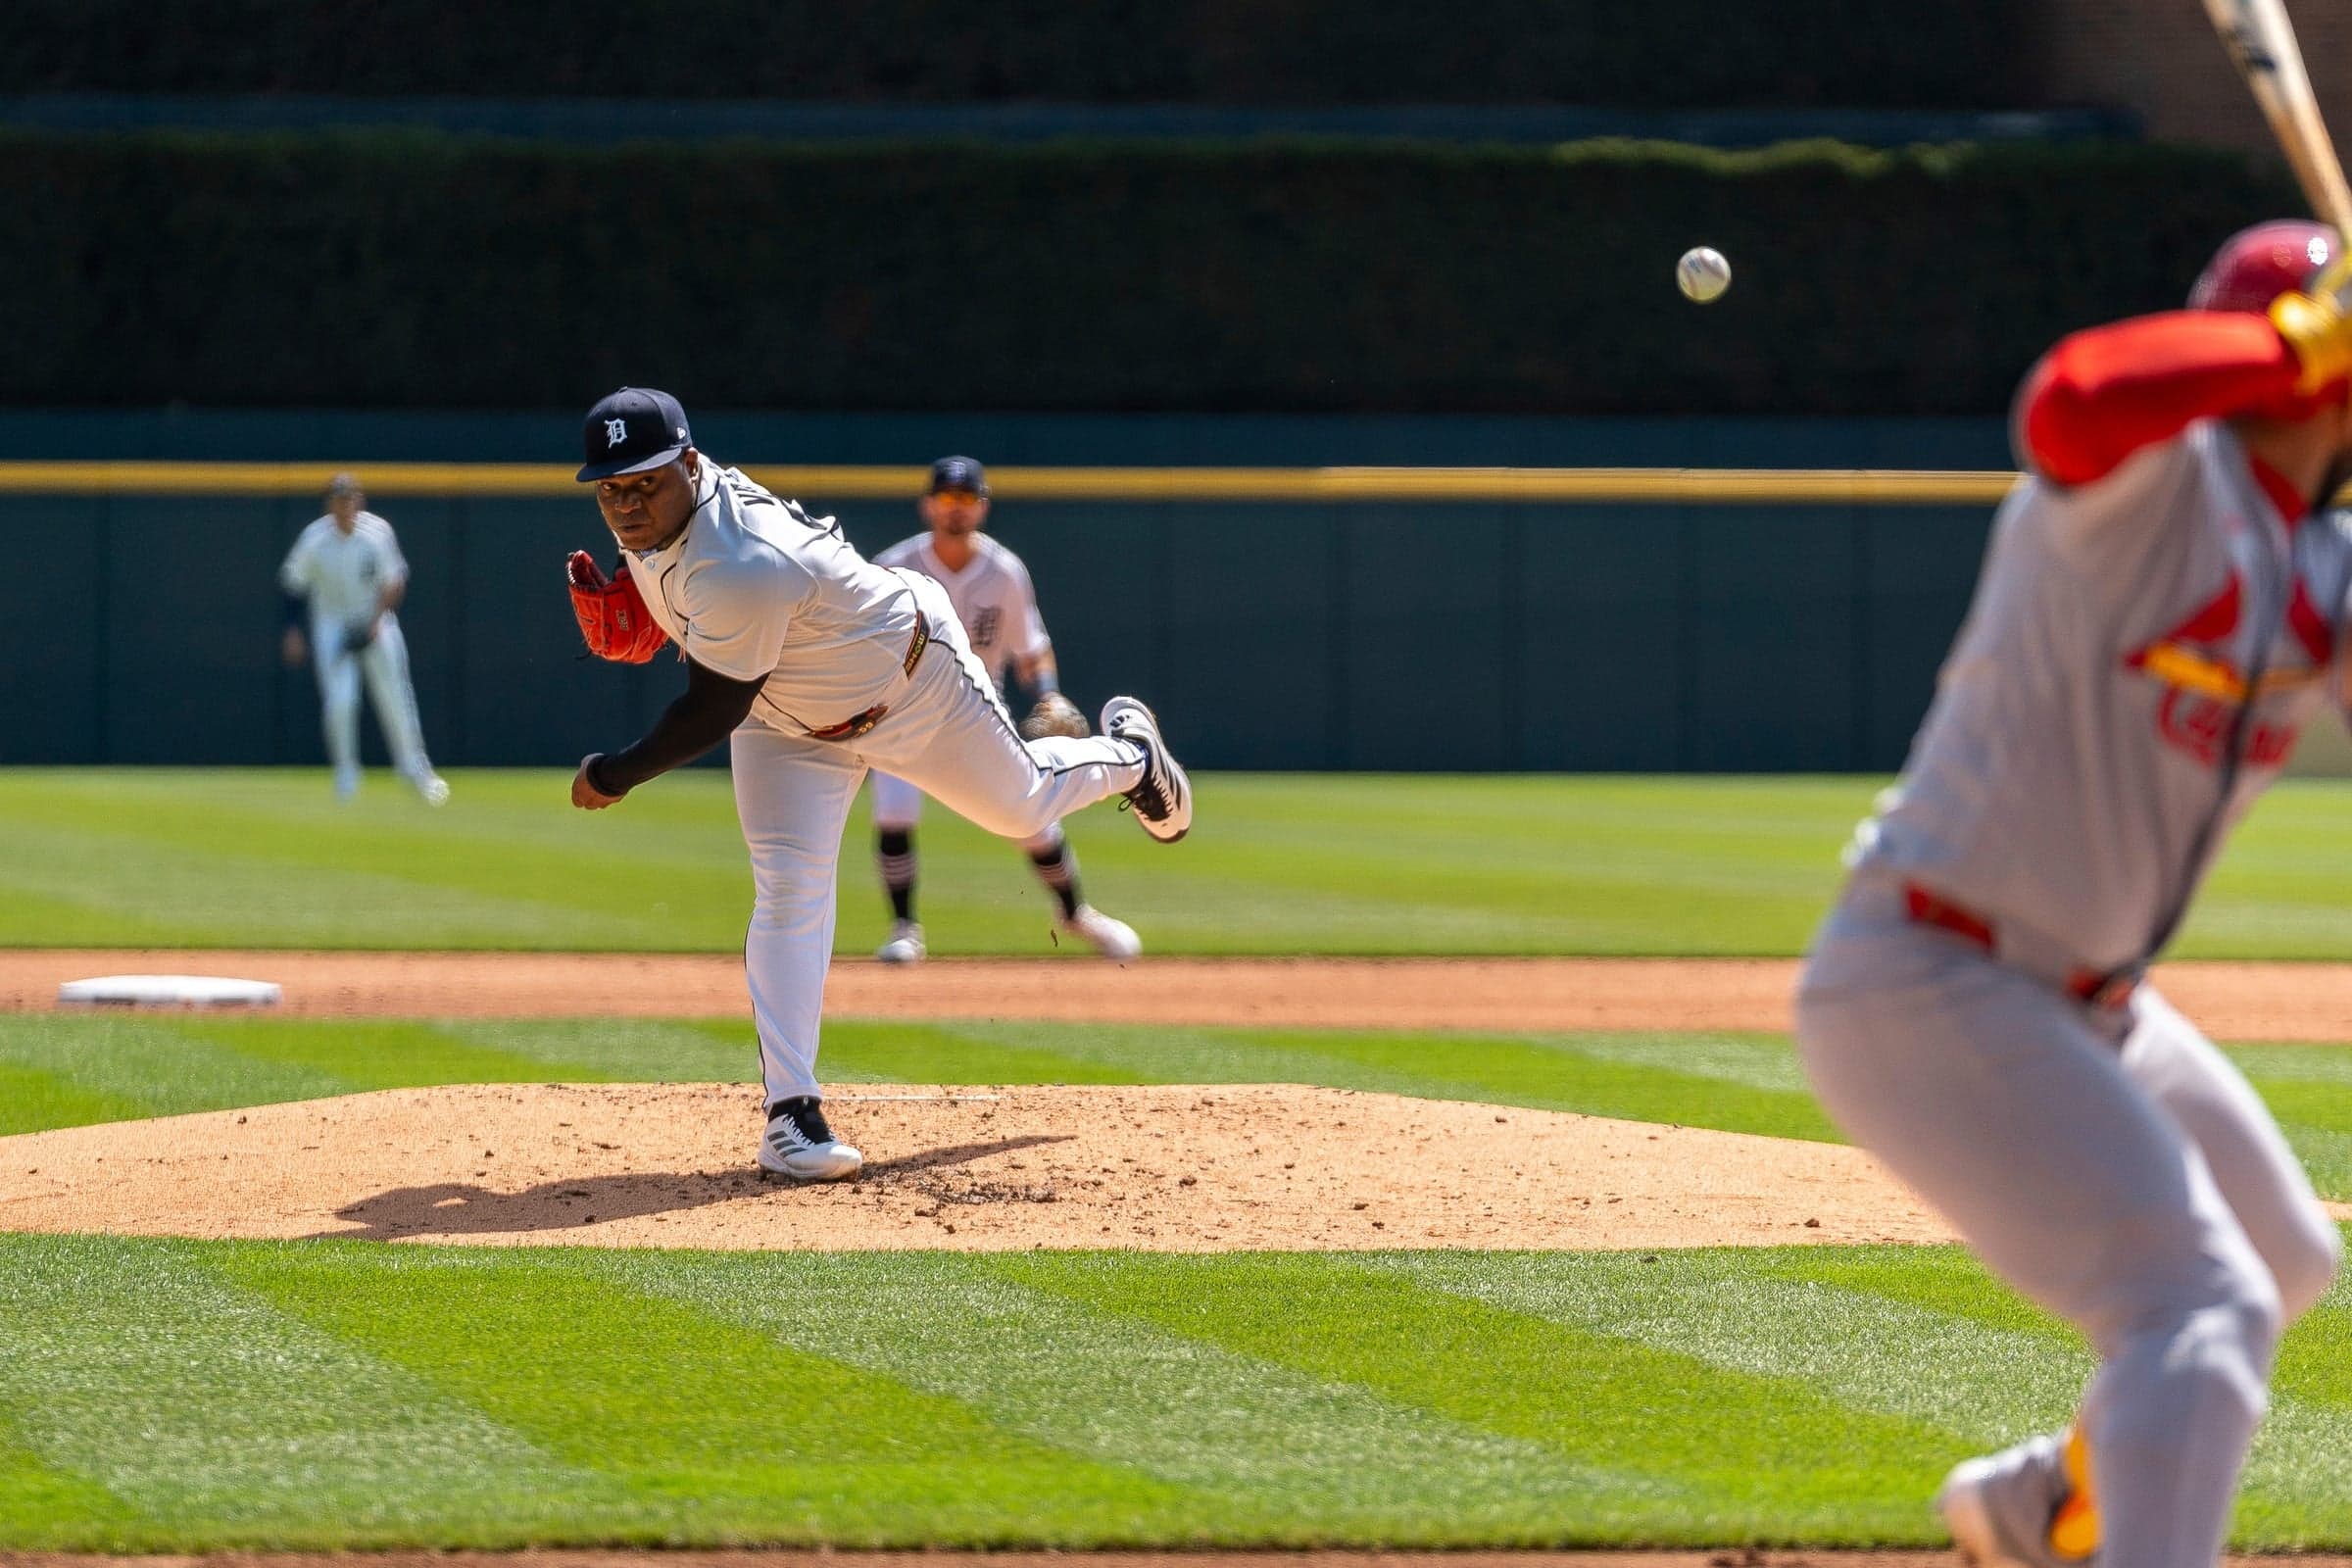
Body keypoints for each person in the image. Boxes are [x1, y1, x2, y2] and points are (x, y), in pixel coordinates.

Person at [1795, 220, 2348, 1568]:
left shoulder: (2318, 558)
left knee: (2283, 1261)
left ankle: (2044, 1508)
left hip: (2093, 1001)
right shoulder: (2147, 485)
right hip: (1931, 970)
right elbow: (2072, 397)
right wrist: (2301, 341)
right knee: (2199, 1306)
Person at [563, 388, 1191, 1183]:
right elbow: (697, 612)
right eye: (611, 489)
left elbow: (709, 710)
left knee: (1023, 805)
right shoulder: (671, 514)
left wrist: (611, 773)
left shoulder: (740, 561)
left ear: (690, 464)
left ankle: (1131, 757)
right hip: (787, 720)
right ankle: (791, 1118)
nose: (627, 504)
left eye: (646, 483)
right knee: (788, 888)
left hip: (909, 684)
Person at [864, 456, 1141, 963]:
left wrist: (1049, 694)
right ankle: (905, 929)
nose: (956, 508)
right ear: (928, 505)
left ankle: (1075, 913)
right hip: (903, 710)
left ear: (982, 507)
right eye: (947, 497)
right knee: (895, 809)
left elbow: (1032, 650)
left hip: (977, 710)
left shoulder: (1004, 571)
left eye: (967, 498)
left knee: (1031, 818)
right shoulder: (893, 567)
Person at [278, 472, 449, 805]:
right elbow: (293, 583)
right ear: (330, 504)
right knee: (341, 701)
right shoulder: (314, 539)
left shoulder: (377, 532)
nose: (346, 505)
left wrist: (375, 622)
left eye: (350, 498)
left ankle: (416, 770)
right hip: (332, 623)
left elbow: (394, 582)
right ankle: (346, 774)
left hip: (375, 619)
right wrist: (293, 630)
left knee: (396, 699)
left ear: (359, 501)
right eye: (339, 499)